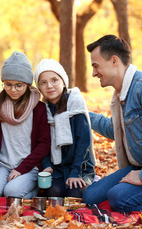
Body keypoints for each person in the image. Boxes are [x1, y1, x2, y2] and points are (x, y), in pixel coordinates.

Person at [82, 34, 142, 212]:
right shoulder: (123, 93)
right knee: (90, 196)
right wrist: (82, 114)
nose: (94, 73)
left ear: (114, 61)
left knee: (118, 198)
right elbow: (117, 130)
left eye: (96, 66)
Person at [0, 51, 51, 199]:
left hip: (29, 166)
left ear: (27, 84)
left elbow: (44, 143)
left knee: (11, 193)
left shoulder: (38, 109)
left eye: (19, 85)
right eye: (8, 84)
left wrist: (22, 168)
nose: (13, 90)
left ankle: (35, 191)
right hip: (2, 164)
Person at [34, 59, 95, 198]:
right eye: (43, 82)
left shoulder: (75, 103)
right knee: (54, 193)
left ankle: (91, 181)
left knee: (74, 194)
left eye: (54, 80)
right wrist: (46, 164)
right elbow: (41, 141)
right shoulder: (42, 110)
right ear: (39, 87)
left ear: (63, 81)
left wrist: (75, 172)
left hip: (80, 166)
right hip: (57, 167)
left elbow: (83, 141)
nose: (49, 86)